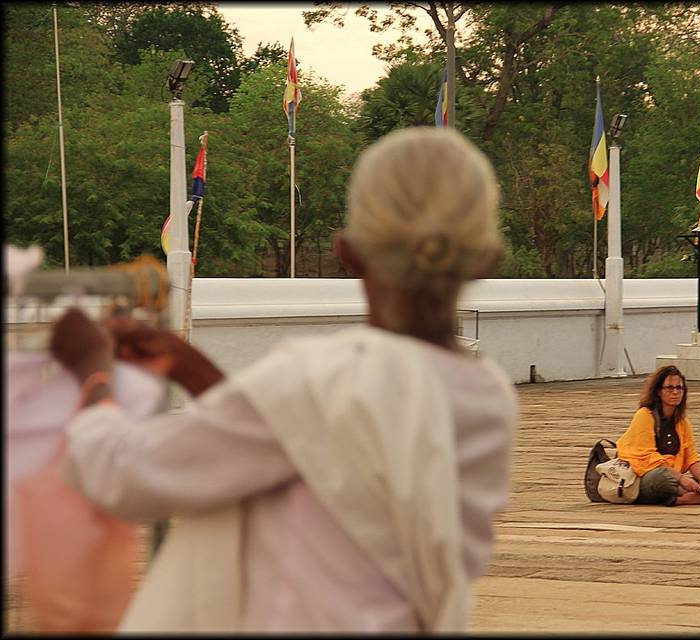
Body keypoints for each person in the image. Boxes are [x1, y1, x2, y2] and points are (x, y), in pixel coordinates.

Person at [48, 127, 517, 633]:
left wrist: (91, 373)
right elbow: (306, 453)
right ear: (487, 259)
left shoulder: (320, 381)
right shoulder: (489, 395)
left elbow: (125, 475)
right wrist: (193, 370)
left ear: (348, 253)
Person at [615, 365, 700, 506]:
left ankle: (682, 499)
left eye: (679, 388)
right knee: (663, 480)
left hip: (677, 480)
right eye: (669, 388)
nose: (675, 392)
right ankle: (692, 496)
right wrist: (681, 479)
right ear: (659, 391)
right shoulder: (645, 415)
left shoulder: (682, 421)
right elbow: (648, 457)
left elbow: (691, 457)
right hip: (647, 477)